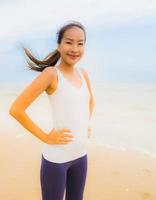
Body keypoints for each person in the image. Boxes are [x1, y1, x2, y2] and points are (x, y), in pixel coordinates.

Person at [9, 20, 95, 200]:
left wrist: (86, 125)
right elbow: (16, 109)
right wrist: (45, 137)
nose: (75, 48)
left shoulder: (83, 74)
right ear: (59, 45)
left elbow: (90, 102)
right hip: (57, 159)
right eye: (69, 42)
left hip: (81, 155)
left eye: (80, 44)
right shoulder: (51, 74)